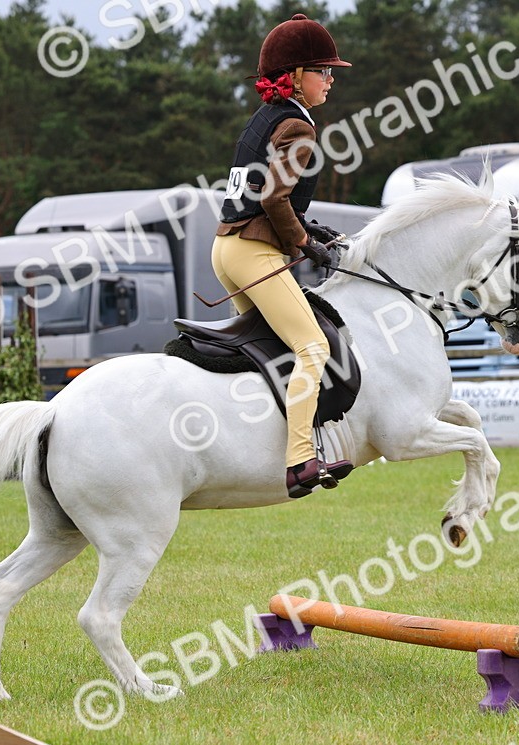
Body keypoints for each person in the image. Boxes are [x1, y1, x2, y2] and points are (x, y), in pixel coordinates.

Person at [212, 14, 353, 498]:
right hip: (254, 253)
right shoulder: (298, 126)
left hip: (226, 248)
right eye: (323, 71)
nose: (331, 80)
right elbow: (273, 200)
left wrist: (308, 226)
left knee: (266, 352)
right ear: (295, 76)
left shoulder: (266, 119)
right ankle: (298, 462)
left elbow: (263, 195)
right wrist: (304, 244)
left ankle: (250, 448)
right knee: (313, 348)